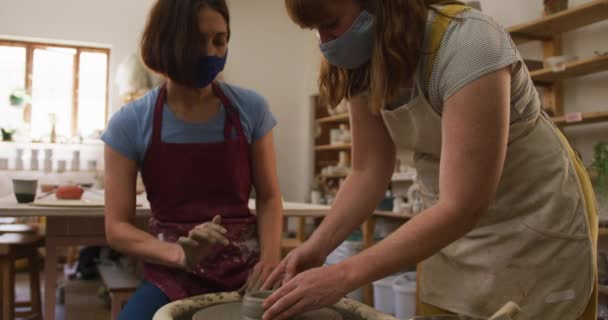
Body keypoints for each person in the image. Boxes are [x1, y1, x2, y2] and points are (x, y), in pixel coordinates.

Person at [262, 1, 598, 320]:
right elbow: (367, 171)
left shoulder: (468, 42)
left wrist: (344, 274)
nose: (324, 42)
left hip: (532, 218)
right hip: (451, 227)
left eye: (331, 24)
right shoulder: (364, 63)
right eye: (314, 30)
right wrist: (318, 246)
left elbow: (463, 205)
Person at [102, 0, 283, 318]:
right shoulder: (130, 122)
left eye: (219, 40)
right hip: (171, 274)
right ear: (165, 42)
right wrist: (177, 254)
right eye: (197, 40)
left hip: (246, 272)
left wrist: (270, 259)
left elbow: (268, 197)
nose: (212, 52)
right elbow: (117, 227)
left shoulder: (250, 108)